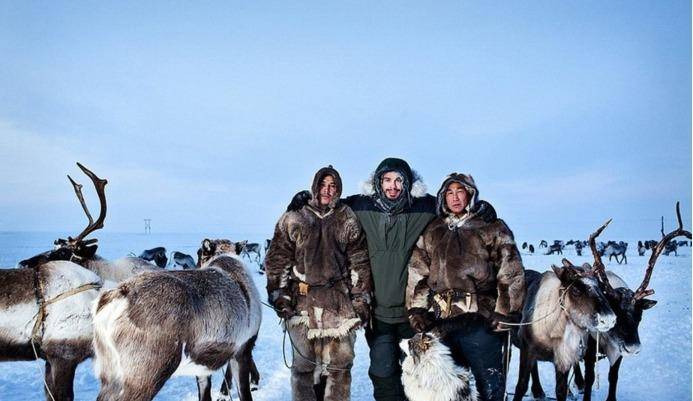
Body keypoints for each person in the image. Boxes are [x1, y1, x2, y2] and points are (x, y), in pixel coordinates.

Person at [288, 158, 497, 401]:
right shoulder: (361, 206)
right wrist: (303, 200)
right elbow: (328, 205)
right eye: (387, 180)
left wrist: (483, 208)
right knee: (382, 371)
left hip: (416, 313)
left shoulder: (425, 207)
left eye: (399, 181)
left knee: (419, 373)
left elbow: (456, 206)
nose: (393, 186)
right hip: (379, 314)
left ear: (408, 184)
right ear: (378, 182)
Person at [406, 172, 525, 401]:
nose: (455, 197)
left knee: (488, 386)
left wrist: (506, 312)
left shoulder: (491, 227)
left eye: (460, 191)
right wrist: (417, 309)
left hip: (480, 319)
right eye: (449, 193)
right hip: (440, 321)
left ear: (470, 194)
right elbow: (418, 271)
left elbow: (510, 271)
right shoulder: (433, 230)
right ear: (442, 198)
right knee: (446, 388)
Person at [265, 166, 372, 401]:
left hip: (339, 304)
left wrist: (361, 299)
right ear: (315, 186)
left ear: (339, 189)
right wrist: (279, 294)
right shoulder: (296, 216)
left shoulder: (347, 217)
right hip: (303, 301)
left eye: (332, 186)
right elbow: (278, 257)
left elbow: (359, 261)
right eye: (323, 185)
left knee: (340, 366)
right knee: (303, 365)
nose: (327, 190)